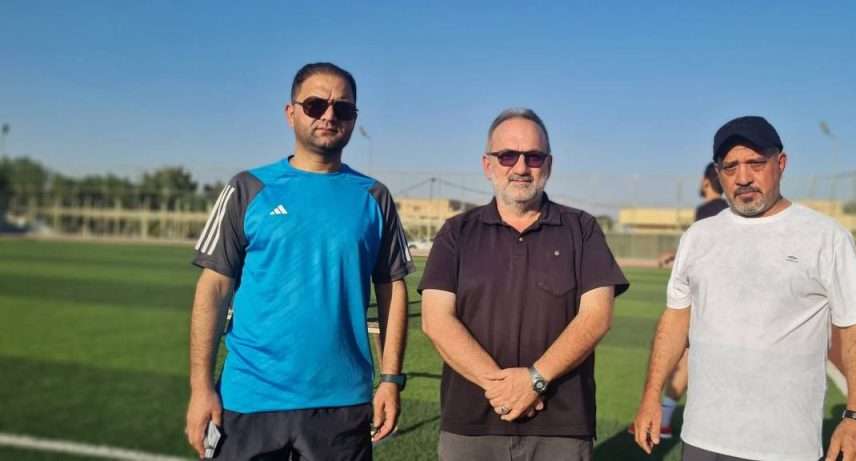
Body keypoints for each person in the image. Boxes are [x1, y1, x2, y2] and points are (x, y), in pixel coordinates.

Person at [184, 62, 415, 460]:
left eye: (343, 108)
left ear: (354, 118)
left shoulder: (374, 197)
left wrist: (391, 379)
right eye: (315, 105)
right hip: (250, 399)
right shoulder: (248, 188)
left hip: (342, 404)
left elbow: (392, 288)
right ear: (290, 113)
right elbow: (214, 288)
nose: (329, 115)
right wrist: (201, 387)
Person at [633, 116, 856, 461]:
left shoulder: (826, 237)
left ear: (781, 164)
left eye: (756, 163)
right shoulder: (698, 238)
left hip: (785, 447)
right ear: (718, 174)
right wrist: (652, 397)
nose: (743, 177)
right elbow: (675, 321)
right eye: (731, 167)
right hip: (702, 438)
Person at [419, 108, 630, 461]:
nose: (520, 167)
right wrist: (504, 389)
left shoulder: (582, 229)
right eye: (507, 156)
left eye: (533, 157)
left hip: (560, 427)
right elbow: (436, 320)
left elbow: (596, 317)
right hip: (471, 426)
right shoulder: (456, 232)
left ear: (548, 165)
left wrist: (535, 380)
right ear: (488, 165)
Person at [654, 161, 729, 438]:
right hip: (721, 296)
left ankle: (663, 420)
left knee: (686, 356)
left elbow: (702, 251)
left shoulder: (709, 209)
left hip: (708, 296)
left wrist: (679, 259)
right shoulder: (726, 210)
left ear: (706, 181)